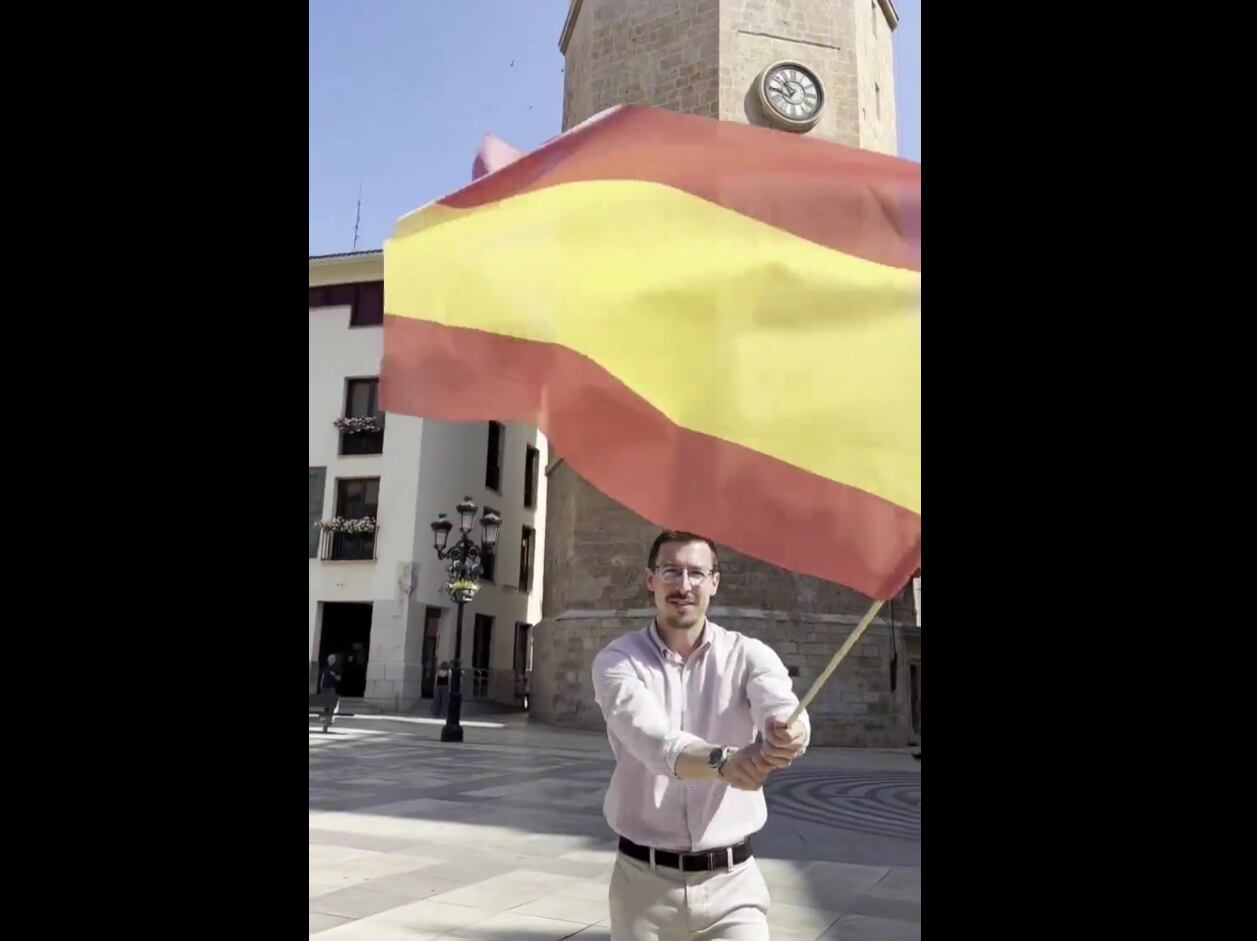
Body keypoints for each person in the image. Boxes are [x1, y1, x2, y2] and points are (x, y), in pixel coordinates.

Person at [592, 530, 810, 940]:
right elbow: (651, 738)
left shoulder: (749, 654)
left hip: (733, 887)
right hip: (643, 889)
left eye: (697, 572)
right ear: (650, 580)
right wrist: (725, 763)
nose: (684, 585)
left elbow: (779, 703)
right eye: (671, 571)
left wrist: (789, 731)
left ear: (715, 581)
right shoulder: (617, 661)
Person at [320, 653, 343, 733]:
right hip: (324, 688)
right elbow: (323, 677)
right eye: (329, 659)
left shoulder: (337, 668)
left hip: (331, 689)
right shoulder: (325, 668)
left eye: (332, 659)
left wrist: (334, 675)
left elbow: (339, 678)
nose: (330, 660)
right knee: (325, 706)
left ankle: (328, 721)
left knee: (331, 706)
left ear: (334, 660)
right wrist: (321, 686)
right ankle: (325, 725)